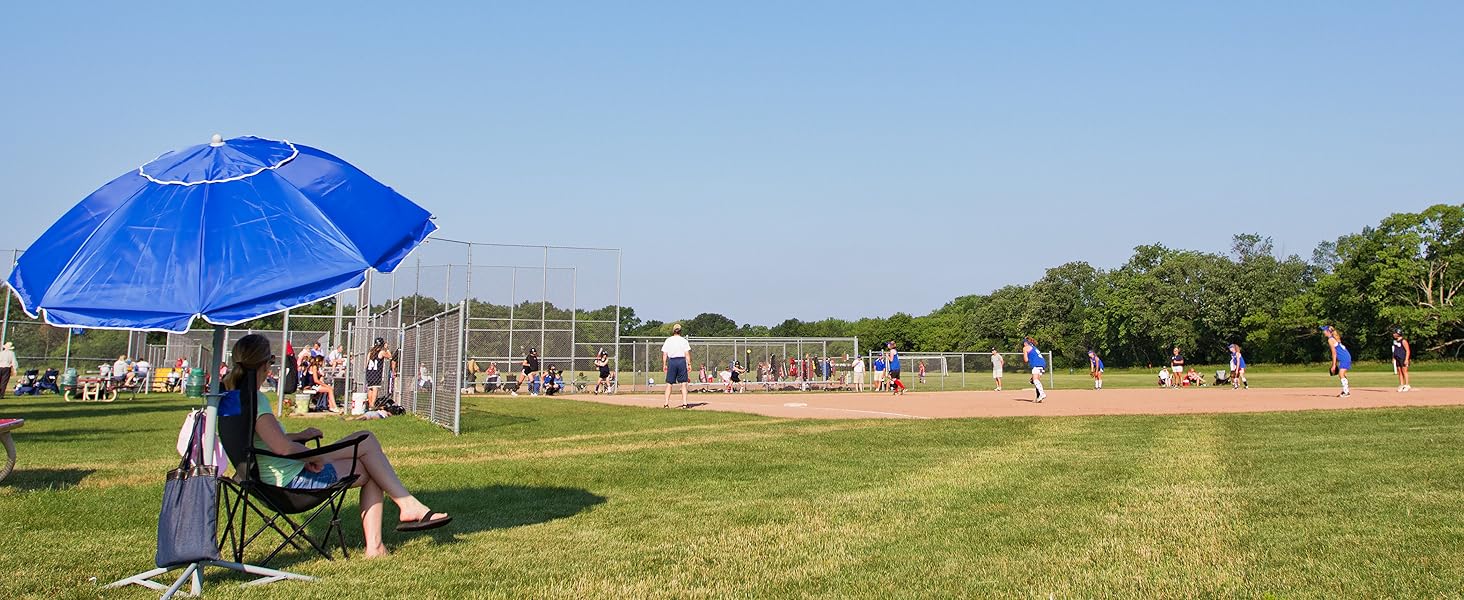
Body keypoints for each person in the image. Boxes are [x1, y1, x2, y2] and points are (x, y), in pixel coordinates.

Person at [224, 334, 451, 558]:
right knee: (367, 448)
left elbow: (262, 440)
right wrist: (313, 457)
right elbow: (282, 448)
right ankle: (398, 517)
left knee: (367, 452)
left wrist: (299, 435)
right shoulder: (255, 399)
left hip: (268, 482)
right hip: (290, 484)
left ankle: (392, 528)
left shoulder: (232, 399)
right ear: (265, 365)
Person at [661, 323, 692, 408]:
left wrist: (664, 364)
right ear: (680, 331)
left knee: (669, 383)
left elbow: (665, 354)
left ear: (673, 331)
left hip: (672, 361)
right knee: (683, 383)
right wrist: (689, 364)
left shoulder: (668, 340)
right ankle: (685, 404)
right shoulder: (684, 340)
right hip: (681, 361)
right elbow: (687, 353)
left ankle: (666, 403)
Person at [1323, 325, 1353, 398]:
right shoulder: (1335, 338)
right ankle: (1345, 391)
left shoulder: (1330, 340)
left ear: (1328, 332)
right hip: (1346, 356)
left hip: (1344, 358)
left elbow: (1334, 353)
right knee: (1342, 374)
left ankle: (1346, 392)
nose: (1323, 332)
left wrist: (1333, 365)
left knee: (1341, 374)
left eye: (1324, 330)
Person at [364, 338, 392, 407]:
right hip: (376, 373)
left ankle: (370, 404)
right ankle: (372, 405)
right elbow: (390, 357)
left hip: (369, 372)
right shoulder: (381, 352)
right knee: (375, 388)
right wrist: (387, 349)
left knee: (370, 388)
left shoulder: (370, 352)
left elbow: (366, 363)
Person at [1023, 337, 1047, 402]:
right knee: (1036, 381)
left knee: (1035, 380)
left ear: (1026, 343)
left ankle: (1042, 394)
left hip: (1036, 364)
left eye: (1024, 343)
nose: (1023, 344)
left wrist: (1025, 354)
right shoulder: (1034, 347)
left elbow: (1026, 360)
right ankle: (1038, 398)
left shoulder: (1025, 348)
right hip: (1043, 364)